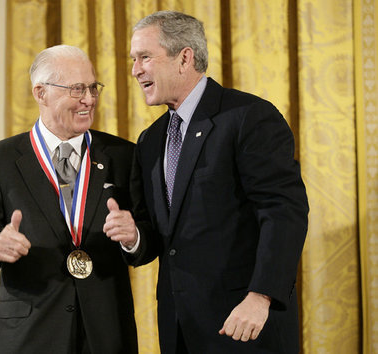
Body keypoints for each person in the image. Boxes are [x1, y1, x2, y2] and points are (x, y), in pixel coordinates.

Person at [104, 10, 309, 353]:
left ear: (184, 58)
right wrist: (134, 235)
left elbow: (283, 212)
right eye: (133, 60)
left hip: (245, 324)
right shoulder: (150, 141)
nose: (135, 70)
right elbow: (159, 239)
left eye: (144, 57)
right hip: (179, 330)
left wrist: (260, 297)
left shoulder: (248, 118)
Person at [0, 45, 138, 354]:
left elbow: (148, 238)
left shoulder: (124, 155)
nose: (89, 99)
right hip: (32, 334)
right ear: (41, 93)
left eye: (93, 87)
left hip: (107, 330)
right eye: (77, 89)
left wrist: (134, 237)